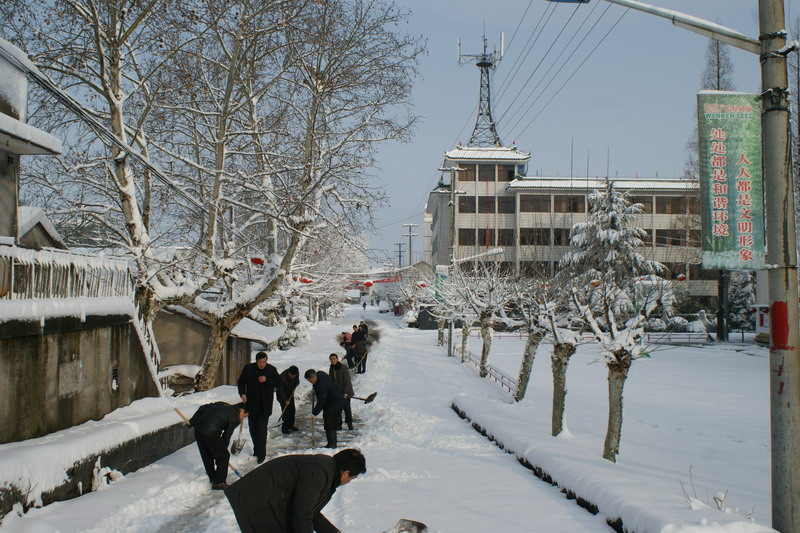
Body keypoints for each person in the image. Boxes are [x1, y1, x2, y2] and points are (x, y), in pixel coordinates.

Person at [224, 448, 366, 533]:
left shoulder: (326, 471)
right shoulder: (320, 472)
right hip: (256, 500)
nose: (349, 481)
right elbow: (302, 512)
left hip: (268, 500)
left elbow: (311, 512)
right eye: (352, 478)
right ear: (345, 473)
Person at [189, 401, 248, 490]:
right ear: (241, 410)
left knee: (207, 455)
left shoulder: (223, 404)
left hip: (198, 429)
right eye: (244, 416)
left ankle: (213, 478)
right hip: (210, 432)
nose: (243, 418)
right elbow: (226, 436)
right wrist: (221, 452)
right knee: (224, 455)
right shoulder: (235, 418)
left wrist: (193, 420)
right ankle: (219, 482)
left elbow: (202, 408)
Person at [237, 352, 281, 463]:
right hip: (251, 405)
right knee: (253, 428)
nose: (262, 364)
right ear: (256, 361)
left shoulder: (271, 370)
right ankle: (256, 450)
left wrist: (267, 380)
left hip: (264, 405)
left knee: (261, 430)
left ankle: (261, 455)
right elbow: (241, 382)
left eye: (264, 362)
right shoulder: (248, 369)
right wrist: (242, 393)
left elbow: (279, 382)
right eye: (260, 362)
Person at [304, 368, 346, 448]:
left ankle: (332, 444)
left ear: (313, 377)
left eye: (309, 380)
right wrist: (314, 388)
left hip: (334, 403)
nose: (309, 382)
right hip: (336, 400)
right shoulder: (320, 374)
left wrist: (314, 413)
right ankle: (332, 441)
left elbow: (321, 401)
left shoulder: (321, 386)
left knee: (330, 424)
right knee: (331, 421)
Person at [328, 353, 354, 430]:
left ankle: (350, 424)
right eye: (331, 359)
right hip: (337, 392)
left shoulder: (343, 367)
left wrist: (345, 393)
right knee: (338, 409)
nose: (332, 360)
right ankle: (339, 425)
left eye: (334, 359)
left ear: (337, 359)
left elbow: (347, 381)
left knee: (347, 409)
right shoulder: (331, 368)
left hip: (346, 392)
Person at [276, 365, 300, 435]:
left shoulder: (296, 373)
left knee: (292, 410)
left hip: (290, 394)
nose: (293, 377)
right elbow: (280, 391)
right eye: (292, 376)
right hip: (282, 396)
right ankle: (285, 428)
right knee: (286, 412)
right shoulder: (282, 378)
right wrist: (285, 400)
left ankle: (290, 425)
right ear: (289, 373)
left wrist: (297, 382)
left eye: (294, 376)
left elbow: (296, 380)